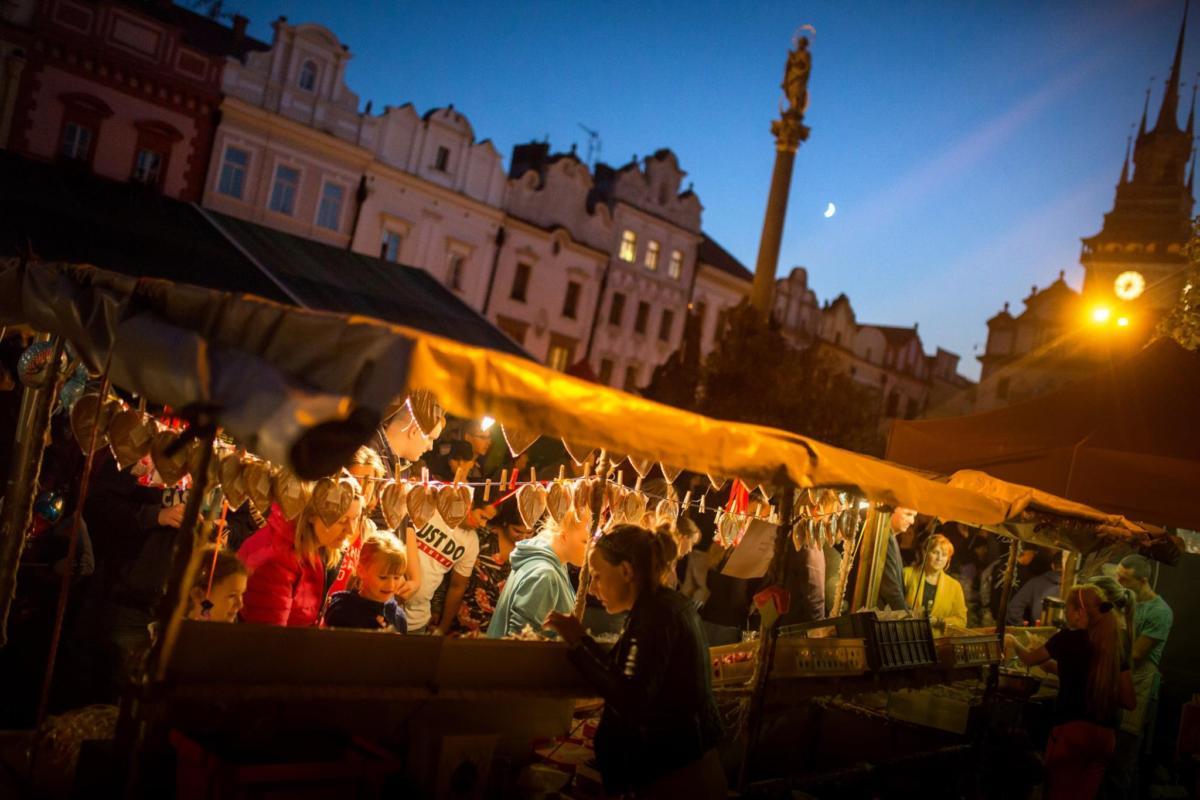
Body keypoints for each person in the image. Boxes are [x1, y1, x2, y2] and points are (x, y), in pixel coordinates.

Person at [546, 525, 725, 799]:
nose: (593, 589)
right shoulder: (665, 605)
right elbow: (627, 673)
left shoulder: (655, 617)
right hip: (684, 763)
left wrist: (580, 647)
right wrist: (581, 639)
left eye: (597, 576)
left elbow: (632, 697)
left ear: (626, 571)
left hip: (673, 776)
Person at [1008, 585, 1135, 800]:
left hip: (1072, 733)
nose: (1066, 614)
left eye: (1067, 608)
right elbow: (1129, 700)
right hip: (1105, 740)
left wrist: (1013, 642)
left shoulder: (1067, 638)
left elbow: (1029, 659)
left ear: (1080, 612)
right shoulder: (1113, 646)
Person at [238, 476, 363, 627]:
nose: (350, 530)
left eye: (355, 518)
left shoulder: (321, 547)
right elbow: (269, 640)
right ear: (310, 514)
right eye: (341, 520)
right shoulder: (275, 560)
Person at [1110, 554, 1174, 797]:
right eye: (1117, 576)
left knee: (1123, 757)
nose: (1118, 582)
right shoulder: (1125, 601)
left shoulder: (1161, 612)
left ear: (1143, 580)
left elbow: (1135, 655)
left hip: (1139, 685)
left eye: (1124, 579)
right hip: (1117, 681)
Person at [487, 507, 591, 638]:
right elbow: (521, 641)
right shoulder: (543, 574)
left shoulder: (556, 564)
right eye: (585, 541)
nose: (590, 549)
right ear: (564, 536)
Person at [444, 500, 529, 635]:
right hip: (463, 619)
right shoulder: (482, 535)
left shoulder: (532, 550)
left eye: (529, 533)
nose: (523, 537)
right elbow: (450, 575)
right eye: (517, 531)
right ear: (505, 523)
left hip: (499, 627)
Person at [405, 503, 480, 635]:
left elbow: (457, 586)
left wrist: (442, 629)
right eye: (482, 516)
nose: (483, 524)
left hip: (417, 620)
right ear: (469, 505)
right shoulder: (429, 508)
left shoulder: (471, 541)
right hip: (385, 607)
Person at [324, 533, 408, 633]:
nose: (391, 585)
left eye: (397, 577)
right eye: (383, 577)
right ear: (361, 570)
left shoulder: (399, 618)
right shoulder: (342, 612)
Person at [903, 532, 967, 629]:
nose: (939, 558)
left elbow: (961, 621)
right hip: (907, 635)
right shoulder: (907, 574)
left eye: (944, 555)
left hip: (937, 641)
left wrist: (940, 622)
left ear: (948, 560)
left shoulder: (954, 586)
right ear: (925, 553)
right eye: (935, 552)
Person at [187, 546, 247, 623]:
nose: (240, 604)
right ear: (199, 595)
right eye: (232, 595)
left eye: (242, 594)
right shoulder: (175, 633)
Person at [1007, 551, 1063, 627]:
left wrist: (1023, 627)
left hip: (1038, 634)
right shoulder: (1075, 587)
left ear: (1052, 566)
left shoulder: (1036, 582)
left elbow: (1013, 609)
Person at [878, 506, 915, 613]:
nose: (912, 521)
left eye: (914, 516)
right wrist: (906, 617)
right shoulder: (885, 537)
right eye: (908, 514)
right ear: (892, 510)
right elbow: (890, 589)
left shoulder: (892, 537)